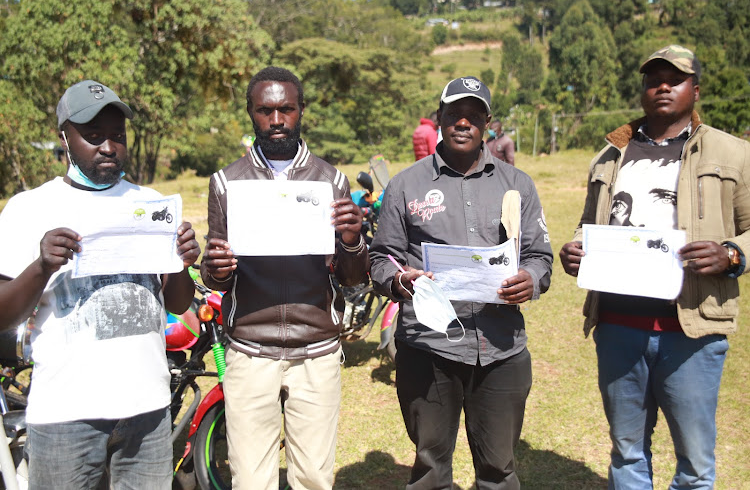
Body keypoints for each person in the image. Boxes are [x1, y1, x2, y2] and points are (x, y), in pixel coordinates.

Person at [559, 45, 750, 489]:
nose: (662, 86)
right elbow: (589, 227)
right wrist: (576, 252)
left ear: (695, 90)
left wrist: (733, 255)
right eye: (652, 79)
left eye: (675, 79)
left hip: (692, 332)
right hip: (618, 327)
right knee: (627, 454)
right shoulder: (610, 156)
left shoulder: (733, 153)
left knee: (696, 464)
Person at [0, 80, 201, 489]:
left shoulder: (149, 205)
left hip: (149, 410)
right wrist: (41, 266)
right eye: (93, 137)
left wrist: (180, 261)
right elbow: (3, 314)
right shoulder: (29, 208)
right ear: (64, 139)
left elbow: (179, 305)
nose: (108, 147)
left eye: (117, 136)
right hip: (65, 417)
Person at [370, 76, 553, 489]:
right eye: (454, 113)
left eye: (474, 115)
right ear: (440, 118)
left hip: (501, 346)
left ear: (487, 122)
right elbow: (380, 257)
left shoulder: (517, 183)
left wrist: (532, 280)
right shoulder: (406, 185)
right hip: (428, 346)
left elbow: (540, 257)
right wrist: (400, 280)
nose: (463, 122)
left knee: (499, 469)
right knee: (431, 469)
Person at [201, 66, 369, 490]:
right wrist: (215, 267)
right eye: (265, 110)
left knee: (313, 477)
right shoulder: (226, 183)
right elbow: (215, 277)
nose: (276, 120)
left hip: (316, 350)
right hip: (249, 350)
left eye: (286, 109)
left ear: (301, 111)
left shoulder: (331, 180)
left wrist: (351, 238)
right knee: (251, 479)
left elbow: (352, 279)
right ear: (251, 113)